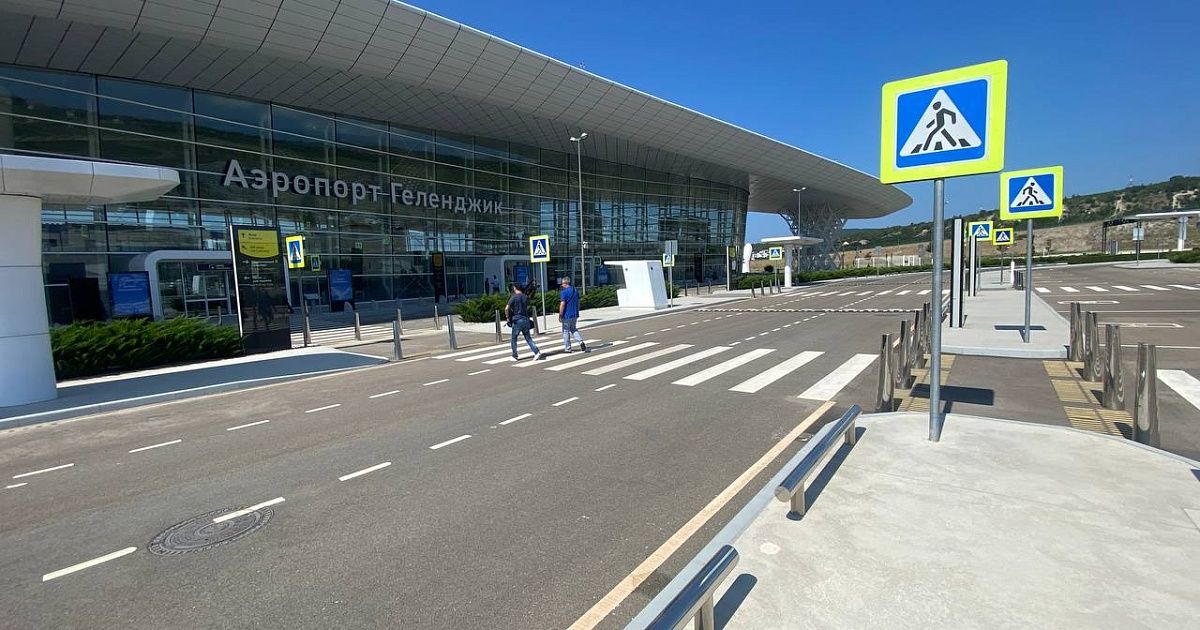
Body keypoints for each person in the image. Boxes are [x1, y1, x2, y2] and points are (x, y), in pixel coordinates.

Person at [505, 283, 542, 361]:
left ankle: (514, 355)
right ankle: (536, 352)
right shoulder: (525, 297)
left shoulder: (513, 297)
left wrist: (508, 317)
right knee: (528, 338)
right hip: (525, 319)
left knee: (514, 338)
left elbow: (506, 308)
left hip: (517, 320)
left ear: (515, 288)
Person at [558, 277, 587, 353]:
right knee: (574, 329)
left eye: (562, 283)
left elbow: (562, 304)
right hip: (574, 314)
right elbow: (578, 302)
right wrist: (577, 311)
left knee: (565, 331)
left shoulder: (564, 292)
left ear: (566, 283)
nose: (562, 285)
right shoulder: (575, 290)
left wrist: (560, 315)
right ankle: (581, 342)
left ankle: (568, 348)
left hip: (566, 315)